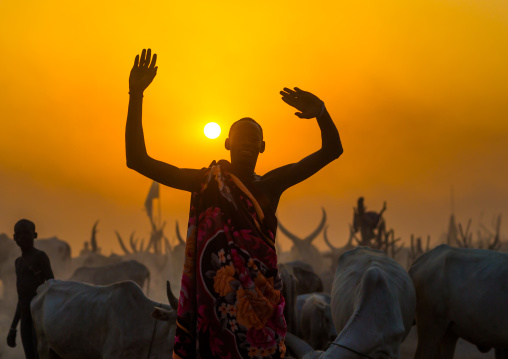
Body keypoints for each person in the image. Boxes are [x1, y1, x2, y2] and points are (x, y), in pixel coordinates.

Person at [126, 48, 343, 359]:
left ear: (263, 147)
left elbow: (331, 150)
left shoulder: (270, 185)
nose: (245, 145)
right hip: (215, 319)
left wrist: (322, 112)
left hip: (262, 317)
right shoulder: (205, 181)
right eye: (239, 139)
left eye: (252, 140)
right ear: (227, 143)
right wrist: (136, 95)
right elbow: (137, 160)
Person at [7, 219, 54, 359]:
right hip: (25, 320)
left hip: (40, 318)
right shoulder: (18, 262)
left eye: (26, 233)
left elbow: (52, 287)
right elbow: (21, 299)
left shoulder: (40, 257)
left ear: (35, 235)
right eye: (18, 234)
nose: (22, 237)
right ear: (14, 238)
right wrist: (13, 327)